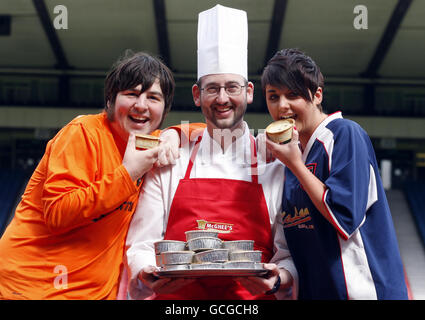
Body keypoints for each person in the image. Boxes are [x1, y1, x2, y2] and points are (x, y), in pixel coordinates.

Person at [125, 5, 297, 300]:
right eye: (212, 89)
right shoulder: (171, 159)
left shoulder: (275, 162)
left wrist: (280, 278)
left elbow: (287, 252)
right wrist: (146, 272)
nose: (222, 99)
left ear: (249, 92)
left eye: (232, 88)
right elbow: (142, 244)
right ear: (196, 95)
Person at [0, 51, 203, 299]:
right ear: (110, 100)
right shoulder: (82, 133)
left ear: (165, 109)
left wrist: (174, 132)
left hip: (93, 293)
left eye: (153, 97)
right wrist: (128, 174)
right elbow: (58, 213)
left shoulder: (151, 143)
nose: (141, 105)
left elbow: (211, 131)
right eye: (131, 94)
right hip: (29, 289)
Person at [262, 48, 408, 299]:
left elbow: (344, 217)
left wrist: (296, 165)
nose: (282, 105)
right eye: (273, 96)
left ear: (317, 95)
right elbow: (289, 247)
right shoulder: (287, 160)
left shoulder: (344, 134)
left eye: (293, 94)